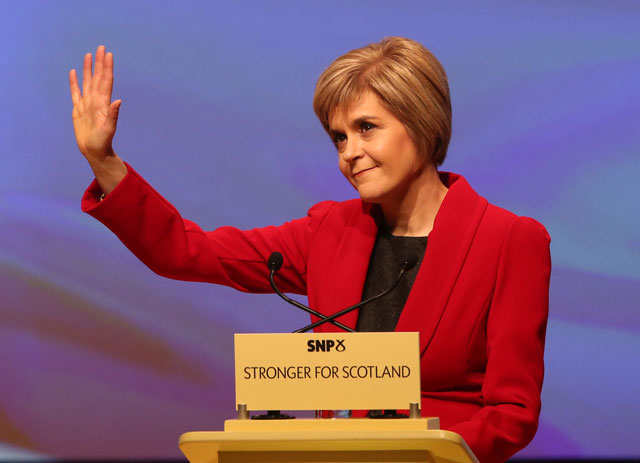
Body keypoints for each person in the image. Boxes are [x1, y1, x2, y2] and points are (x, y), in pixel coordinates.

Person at [69, 38, 551, 463]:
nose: (348, 152)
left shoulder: (510, 241)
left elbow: (512, 414)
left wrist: (423, 454)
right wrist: (104, 161)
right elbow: (186, 251)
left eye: (366, 128)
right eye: (339, 137)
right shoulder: (328, 231)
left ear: (421, 122)